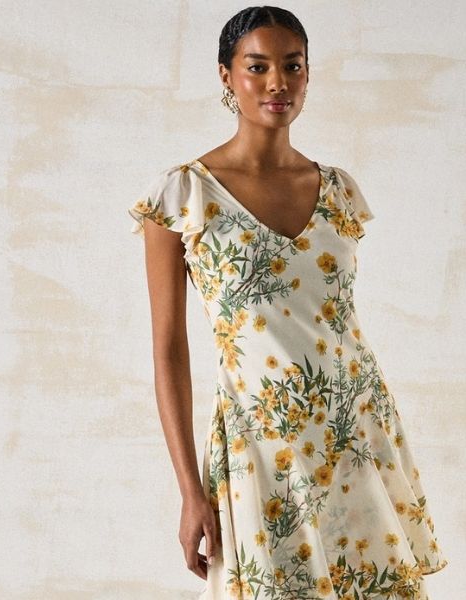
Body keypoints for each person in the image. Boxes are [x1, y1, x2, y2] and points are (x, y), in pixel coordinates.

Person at [128, 6, 448, 599]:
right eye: (257, 67)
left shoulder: (338, 190)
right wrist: (189, 491)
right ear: (226, 76)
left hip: (354, 430)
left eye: (292, 66)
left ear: (307, 75)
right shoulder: (183, 194)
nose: (277, 82)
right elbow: (168, 349)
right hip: (260, 445)